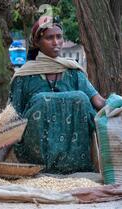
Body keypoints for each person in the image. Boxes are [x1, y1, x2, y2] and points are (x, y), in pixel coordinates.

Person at [6, 16, 106, 174]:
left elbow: (99, 102)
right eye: (49, 38)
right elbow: (11, 116)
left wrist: (116, 104)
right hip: (37, 160)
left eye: (59, 37)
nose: (56, 42)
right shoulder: (24, 77)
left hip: (77, 163)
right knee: (40, 101)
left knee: (80, 98)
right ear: (37, 42)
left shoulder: (73, 72)